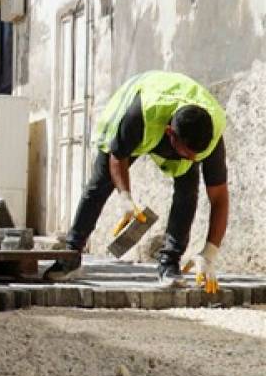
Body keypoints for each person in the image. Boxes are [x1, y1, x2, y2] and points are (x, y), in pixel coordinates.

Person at [44, 71, 228, 293]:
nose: (192, 159)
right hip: (140, 103)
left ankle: (169, 264)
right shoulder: (139, 115)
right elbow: (117, 157)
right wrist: (125, 198)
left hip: (176, 117)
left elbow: (219, 198)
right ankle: (70, 255)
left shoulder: (211, 136)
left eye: (196, 156)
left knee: (188, 190)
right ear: (170, 134)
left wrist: (209, 254)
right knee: (100, 183)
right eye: (187, 154)